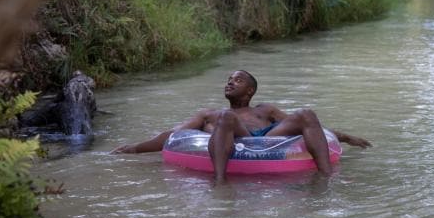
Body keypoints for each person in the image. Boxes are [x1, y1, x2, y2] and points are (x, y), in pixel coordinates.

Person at [111, 70, 371, 180]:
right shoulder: (211, 114)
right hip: (235, 135)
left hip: (267, 135)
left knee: (305, 112)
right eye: (228, 79)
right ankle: (221, 182)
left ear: (250, 91)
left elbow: (311, 126)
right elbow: (174, 135)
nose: (230, 82)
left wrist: (345, 137)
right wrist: (135, 148)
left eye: (237, 80)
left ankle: (326, 178)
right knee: (226, 116)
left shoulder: (264, 110)